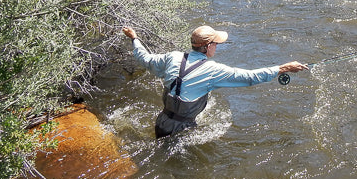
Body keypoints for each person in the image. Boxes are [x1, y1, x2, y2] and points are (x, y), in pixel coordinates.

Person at [122, 25, 308, 138]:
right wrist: (283, 68)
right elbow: (250, 77)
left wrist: (134, 38)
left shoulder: (173, 57)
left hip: (161, 122)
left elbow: (144, 59)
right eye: (216, 44)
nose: (217, 47)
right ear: (208, 46)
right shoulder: (212, 70)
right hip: (182, 132)